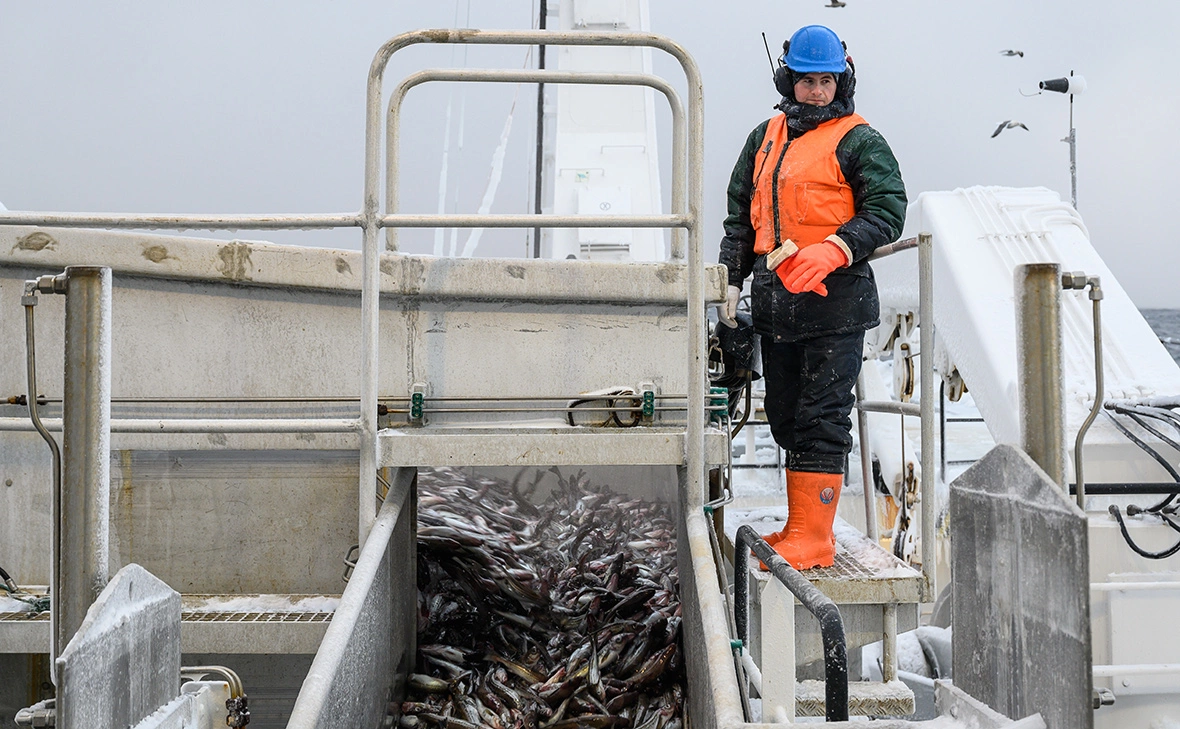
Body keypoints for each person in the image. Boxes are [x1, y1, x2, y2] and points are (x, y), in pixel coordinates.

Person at [717, 24, 906, 570]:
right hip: (776, 304)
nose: (817, 92)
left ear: (842, 80)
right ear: (788, 81)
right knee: (785, 415)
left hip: (836, 303)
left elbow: (888, 209)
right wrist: (731, 281)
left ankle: (814, 537)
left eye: (827, 81)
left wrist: (836, 248)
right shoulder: (763, 138)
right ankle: (799, 523)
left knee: (822, 417)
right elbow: (740, 218)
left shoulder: (860, 140)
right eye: (807, 81)